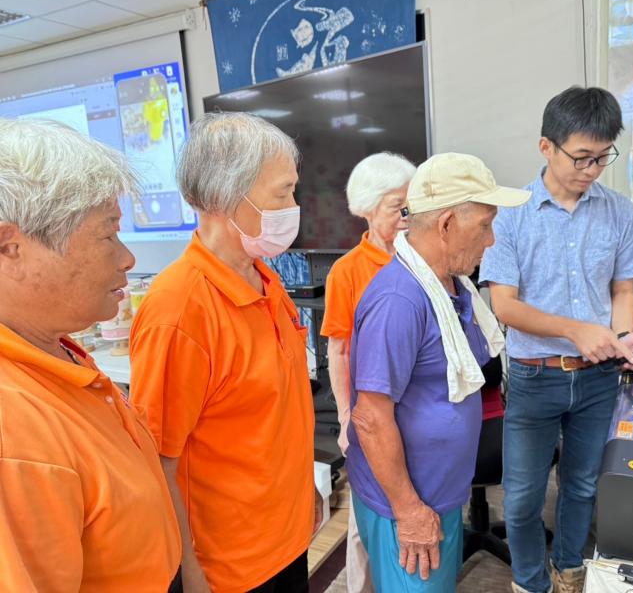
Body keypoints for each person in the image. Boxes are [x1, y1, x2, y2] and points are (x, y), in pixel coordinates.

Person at [129, 112, 322, 593]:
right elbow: (160, 462)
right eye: (283, 193)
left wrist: (306, 497)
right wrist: (190, 574)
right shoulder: (179, 310)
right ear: (223, 197)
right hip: (230, 569)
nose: (293, 206)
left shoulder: (263, 277)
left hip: (286, 538)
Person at [479, 86, 633, 593]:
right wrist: (576, 330)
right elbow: (505, 306)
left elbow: (625, 290)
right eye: (581, 157)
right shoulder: (510, 215)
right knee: (521, 497)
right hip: (536, 378)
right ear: (545, 147)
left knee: (580, 486)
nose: (592, 170)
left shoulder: (619, 211)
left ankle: (570, 571)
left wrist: (621, 336)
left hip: (599, 378)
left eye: (602, 158)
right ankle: (530, 583)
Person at [0, 118, 180, 591]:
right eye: (107, 235)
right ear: (10, 247)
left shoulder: (57, 349)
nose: (127, 258)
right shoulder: (13, 430)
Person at [347, 152, 530, 592]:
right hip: (407, 506)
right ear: (446, 224)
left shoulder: (452, 286)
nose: (490, 241)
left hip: (439, 494)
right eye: (484, 225)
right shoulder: (400, 300)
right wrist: (410, 512)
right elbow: (370, 417)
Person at [320, 152, 416, 593]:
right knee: (364, 527)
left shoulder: (420, 260)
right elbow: (338, 352)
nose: (407, 216)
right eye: (399, 207)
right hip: (370, 416)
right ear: (371, 207)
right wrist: (343, 418)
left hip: (415, 414)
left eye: (411, 206)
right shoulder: (347, 272)